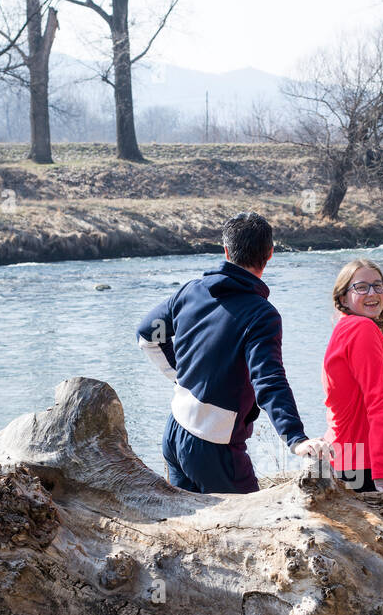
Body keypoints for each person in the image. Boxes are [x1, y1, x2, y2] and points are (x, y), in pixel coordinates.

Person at [136, 211, 327, 493]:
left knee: (191, 530)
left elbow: (147, 334)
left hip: (174, 431)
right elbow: (268, 380)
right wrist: (295, 438)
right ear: (270, 254)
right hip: (214, 446)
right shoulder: (262, 315)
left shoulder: (191, 291)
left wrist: (181, 378)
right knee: (255, 530)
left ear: (226, 251)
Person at [322, 258, 383, 494]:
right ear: (343, 298)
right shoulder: (361, 330)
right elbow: (378, 405)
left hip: (345, 458)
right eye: (361, 287)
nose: (372, 292)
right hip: (358, 465)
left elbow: (368, 408)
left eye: (378, 285)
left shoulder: (348, 328)